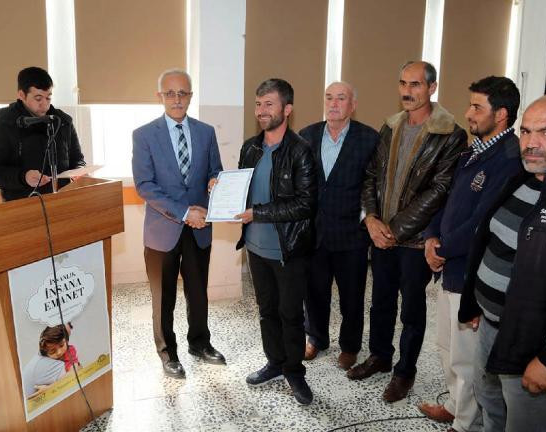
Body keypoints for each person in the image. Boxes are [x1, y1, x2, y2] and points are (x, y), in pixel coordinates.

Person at [351, 61, 467, 403]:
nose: (407, 91)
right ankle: (380, 356)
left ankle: (404, 372)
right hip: (381, 235)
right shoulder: (391, 126)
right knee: (380, 301)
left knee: (412, 311)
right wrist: (372, 220)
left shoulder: (450, 133)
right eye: (403, 83)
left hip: (416, 241)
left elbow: (440, 190)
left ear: (432, 87)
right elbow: (371, 176)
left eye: (415, 84)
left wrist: (394, 230)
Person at [418, 76, 523, 432]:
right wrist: (431, 237)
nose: (468, 113)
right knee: (447, 346)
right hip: (449, 265)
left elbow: (483, 221)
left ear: (502, 114)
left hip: (469, 272)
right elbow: (448, 201)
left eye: (477, 107)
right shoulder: (473, 150)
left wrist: (443, 249)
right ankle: (455, 405)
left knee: (466, 357)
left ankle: (466, 424)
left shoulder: (508, 160)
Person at [458, 94, 546, 432]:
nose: (531, 143)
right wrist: (476, 303)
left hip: (532, 343)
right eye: (526, 132)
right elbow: (489, 243)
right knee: (490, 405)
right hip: (491, 325)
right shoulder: (520, 180)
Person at [132, 69, 225, 379]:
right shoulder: (144, 135)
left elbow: (215, 170)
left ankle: (200, 343)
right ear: (159, 96)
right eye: (170, 93)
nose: (176, 99)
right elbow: (145, 185)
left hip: (200, 229)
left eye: (182, 93)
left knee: (198, 292)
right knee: (164, 297)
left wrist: (214, 181)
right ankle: (167, 353)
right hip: (162, 231)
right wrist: (185, 213)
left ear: (190, 96)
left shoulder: (206, 132)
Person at [235, 78, 317, 405]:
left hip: (288, 249)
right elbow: (241, 188)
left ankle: (294, 371)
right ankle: (274, 363)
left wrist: (258, 213)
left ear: (287, 109)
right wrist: (221, 189)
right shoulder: (250, 148)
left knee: (290, 314)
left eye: (269, 104)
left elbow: (306, 204)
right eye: (258, 104)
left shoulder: (301, 151)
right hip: (255, 248)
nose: (261, 111)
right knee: (266, 310)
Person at [298, 82, 378, 371]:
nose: (333, 104)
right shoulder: (307, 135)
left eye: (341, 98)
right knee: (314, 293)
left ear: (352, 105)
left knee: (352, 297)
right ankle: (316, 338)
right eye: (329, 97)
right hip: (315, 234)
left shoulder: (369, 139)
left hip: (351, 235)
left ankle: (350, 346)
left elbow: (374, 185)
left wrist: (368, 218)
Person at [0, 66, 85, 201]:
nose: (45, 105)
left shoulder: (63, 122)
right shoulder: (2, 125)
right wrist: (23, 177)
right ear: (21, 95)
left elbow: (77, 159)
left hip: (63, 201)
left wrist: (79, 171)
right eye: (38, 98)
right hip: (22, 205)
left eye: (48, 98)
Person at [22, 324, 75, 398]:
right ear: (46, 352)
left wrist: (49, 388)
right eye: (53, 351)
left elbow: (74, 372)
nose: (59, 352)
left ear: (66, 340)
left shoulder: (70, 351)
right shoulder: (52, 364)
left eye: (61, 345)